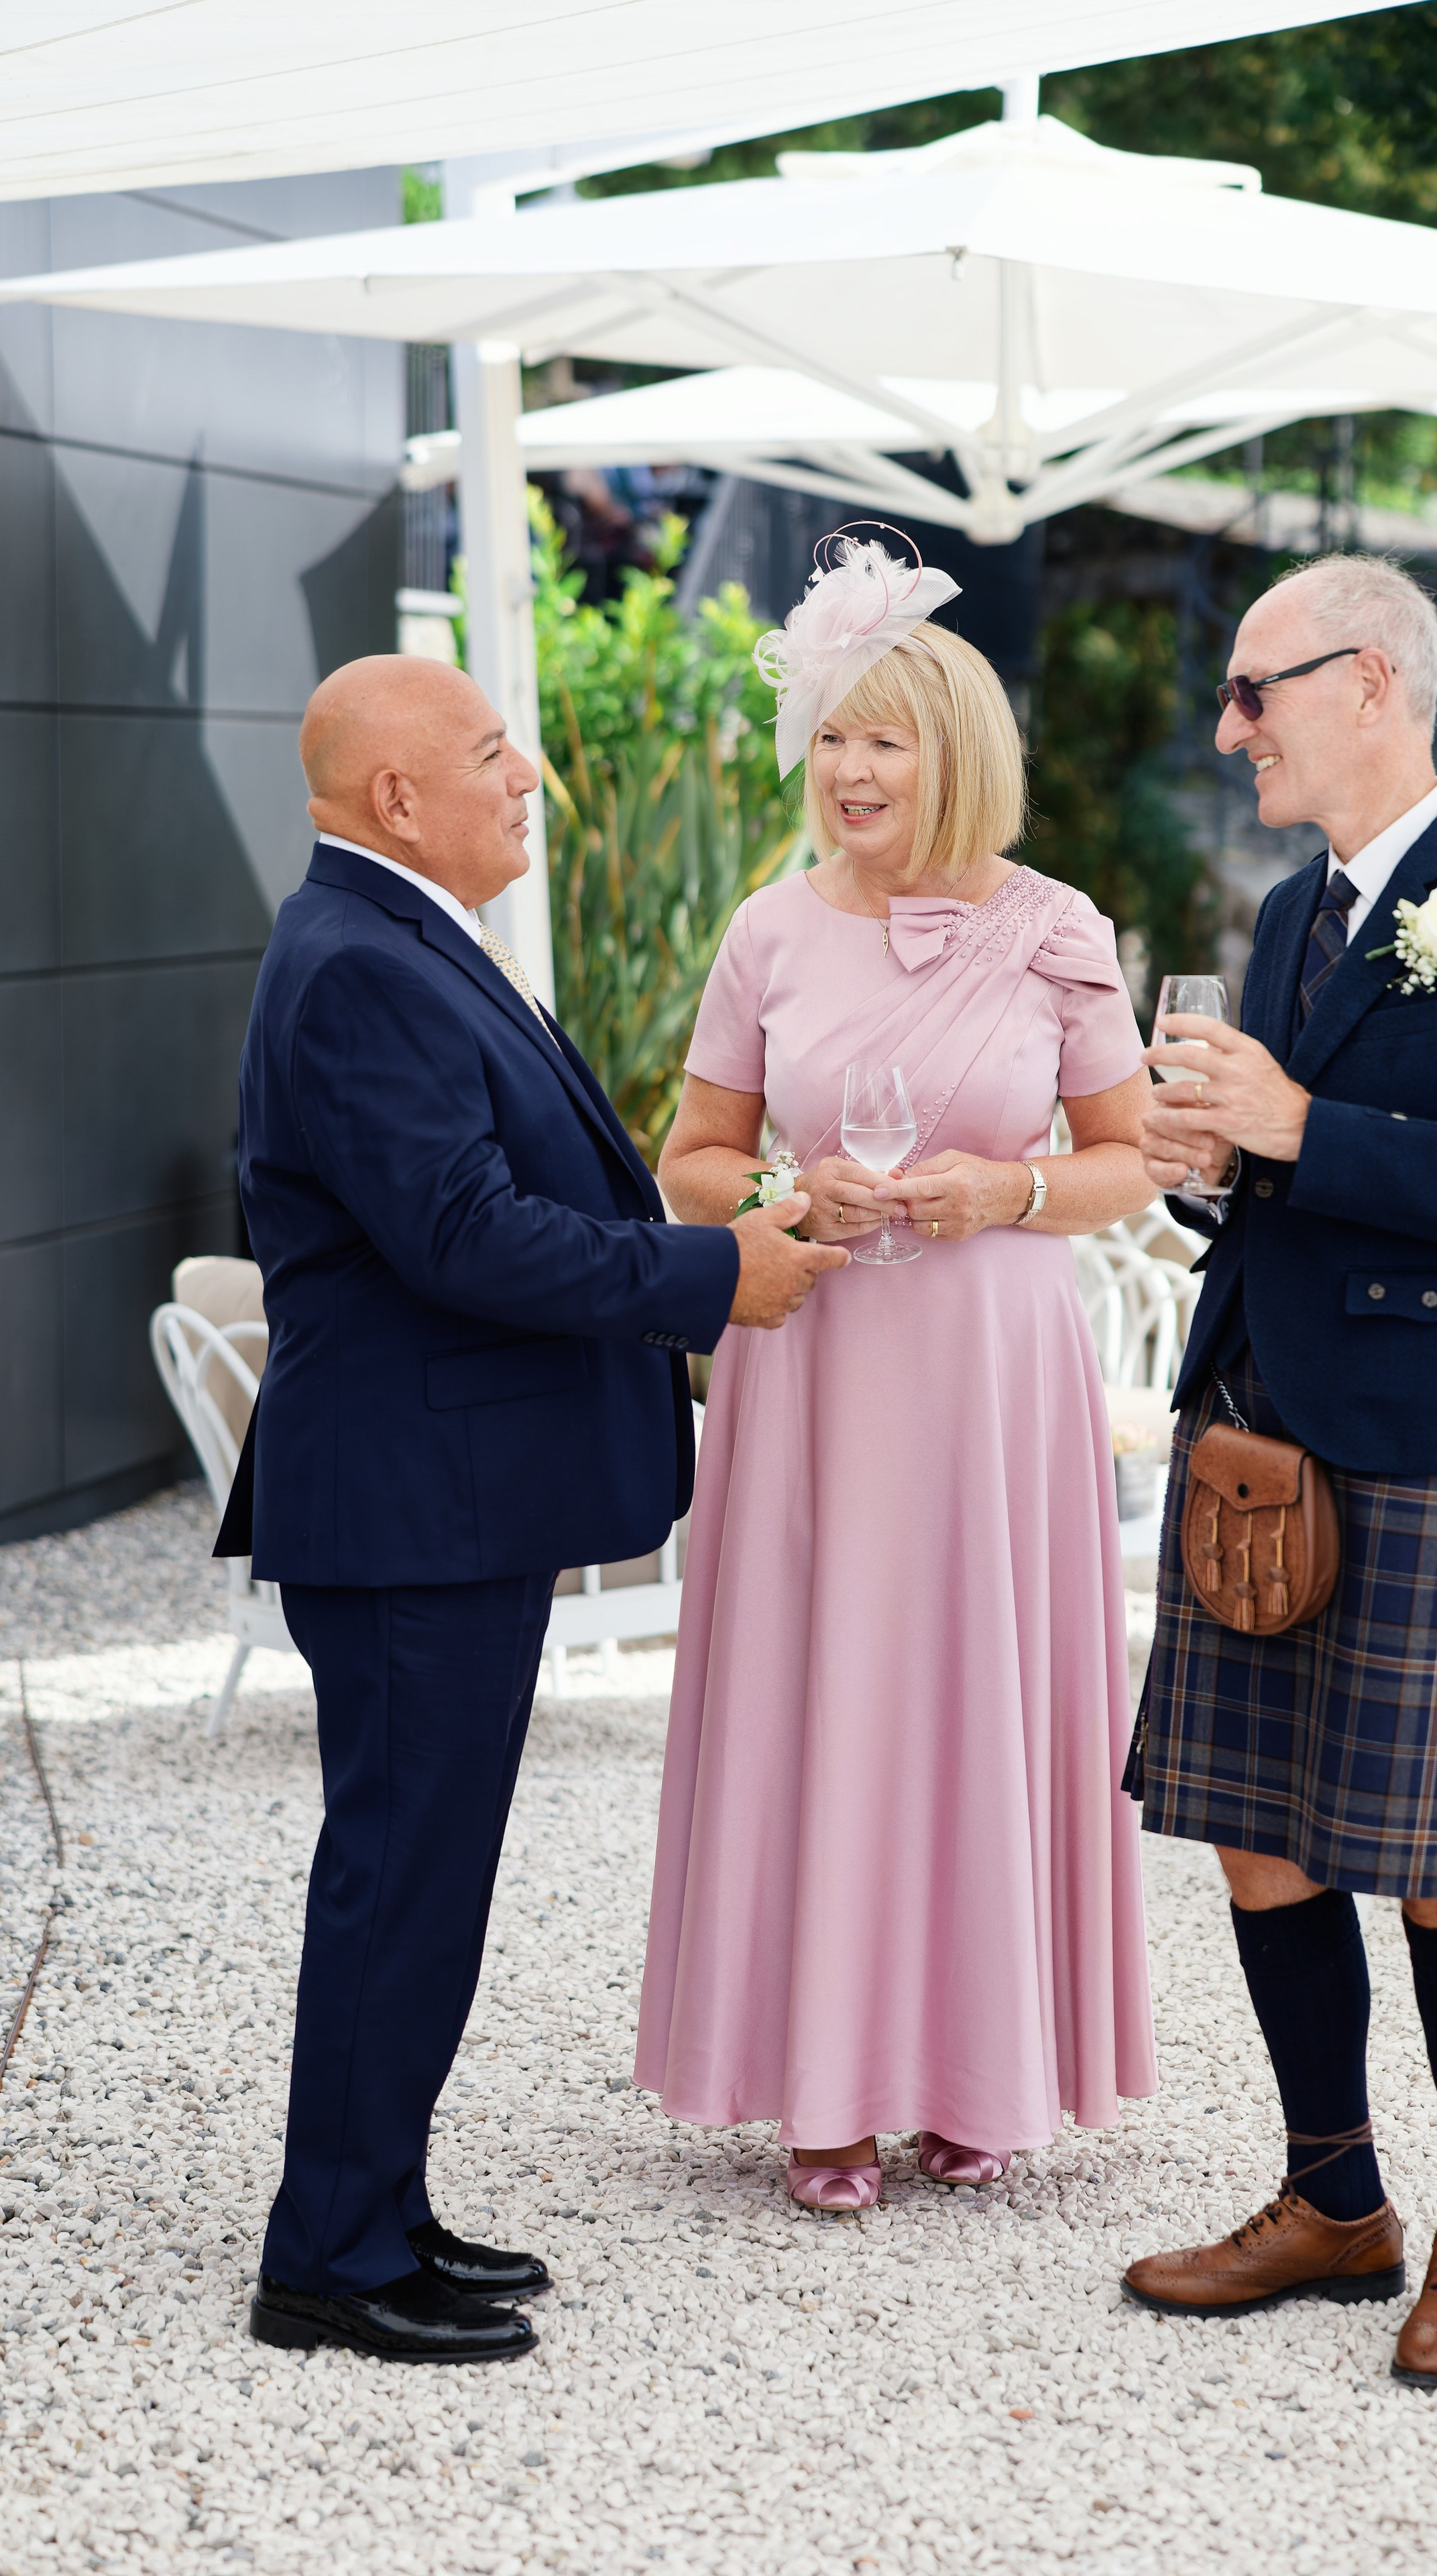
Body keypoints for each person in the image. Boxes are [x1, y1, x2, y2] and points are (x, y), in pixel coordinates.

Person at [221, 655, 843, 2363]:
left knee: (426, 1874)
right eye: (493, 753)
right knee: (397, 1877)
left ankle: (381, 2205)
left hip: (444, 1504)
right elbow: (465, 1237)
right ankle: (327, 2261)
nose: (533, 778)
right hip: (412, 1509)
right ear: (394, 797)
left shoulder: (400, 937)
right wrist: (716, 1270)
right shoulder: (360, 962)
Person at [1120, 554, 1437, 2387]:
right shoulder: (1284, 914)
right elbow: (1277, 1167)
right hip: (1251, 1424)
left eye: (1259, 689)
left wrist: (1305, 1128)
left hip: (1421, 1441)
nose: (1230, 722)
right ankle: (1335, 2196)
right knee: (1259, 1824)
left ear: (1373, 684)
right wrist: (1215, 1163)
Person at [634, 534, 1157, 2209]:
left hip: (993, 1376)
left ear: (956, 751)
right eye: (833, 736)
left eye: (887, 737)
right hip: (819, 1364)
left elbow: (1130, 1158)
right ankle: (824, 2091)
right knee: (828, 1693)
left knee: (976, 1693)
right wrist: (788, 1196)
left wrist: (1003, 1189)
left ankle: (976, 2072)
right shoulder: (767, 930)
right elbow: (689, 1160)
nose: (850, 770)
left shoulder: (1056, 927)